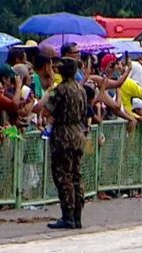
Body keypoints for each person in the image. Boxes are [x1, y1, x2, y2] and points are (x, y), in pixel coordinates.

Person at [45, 58, 88, 230]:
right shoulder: (81, 89)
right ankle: (77, 216)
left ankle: (67, 215)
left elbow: (49, 109)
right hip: (78, 132)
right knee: (76, 174)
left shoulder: (60, 90)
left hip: (63, 134)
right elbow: (85, 111)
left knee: (63, 175)